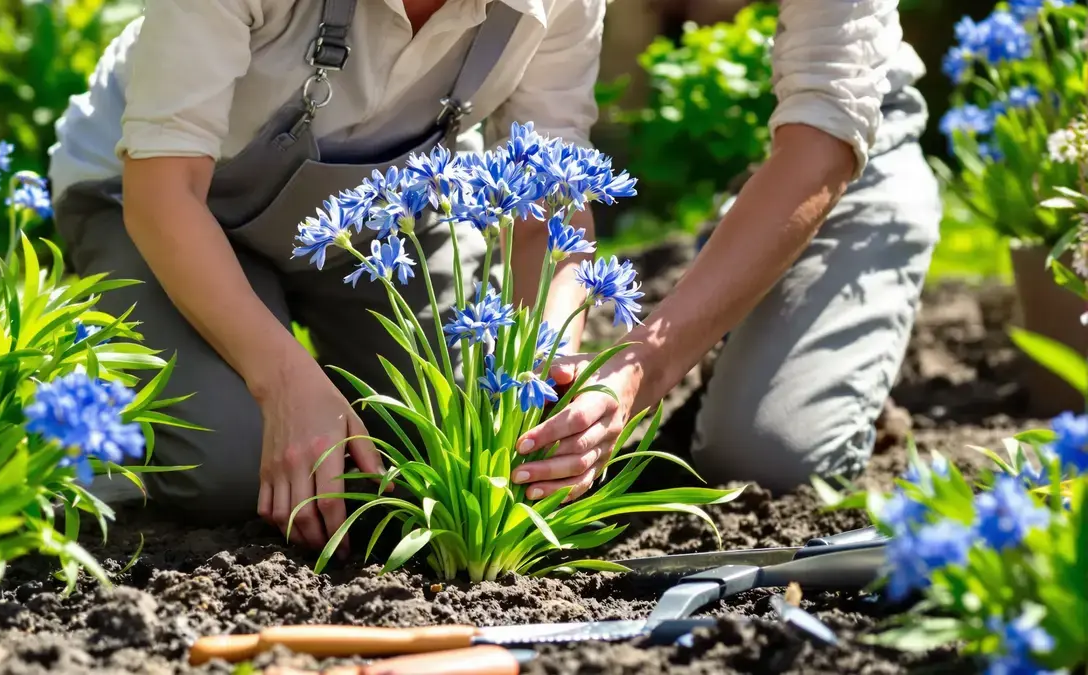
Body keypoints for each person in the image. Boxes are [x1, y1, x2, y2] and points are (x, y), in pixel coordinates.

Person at [47, 0, 605, 552]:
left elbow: (549, 200)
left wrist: (545, 363)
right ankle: (77, 438)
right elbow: (163, 198)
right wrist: (284, 384)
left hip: (383, 217)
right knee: (234, 467)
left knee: (464, 441)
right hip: (156, 202)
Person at [512, 1, 941, 501]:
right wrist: (548, 366)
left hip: (842, 162)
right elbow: (548, 148)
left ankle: (834, 354)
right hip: (709, 150)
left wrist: (641, 370)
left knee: (767, 458)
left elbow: (824, 138)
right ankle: (733, 320)